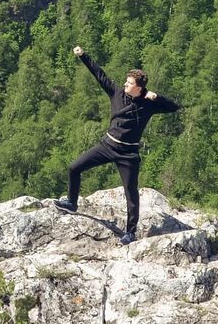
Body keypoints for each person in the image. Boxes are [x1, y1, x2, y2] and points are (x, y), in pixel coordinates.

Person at [55, 46, 179, 242]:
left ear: (139, 87)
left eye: (129, 83)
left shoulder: (149, 103)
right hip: (107, 146)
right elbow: (99, 74)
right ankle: (71, 202)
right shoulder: (116, 93)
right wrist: (82, 55)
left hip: (128, 155)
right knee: (74, 167)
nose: (125, 84)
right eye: (126, 81)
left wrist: (157, 97)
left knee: (131, 193)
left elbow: (174, 107)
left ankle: (130, 232)